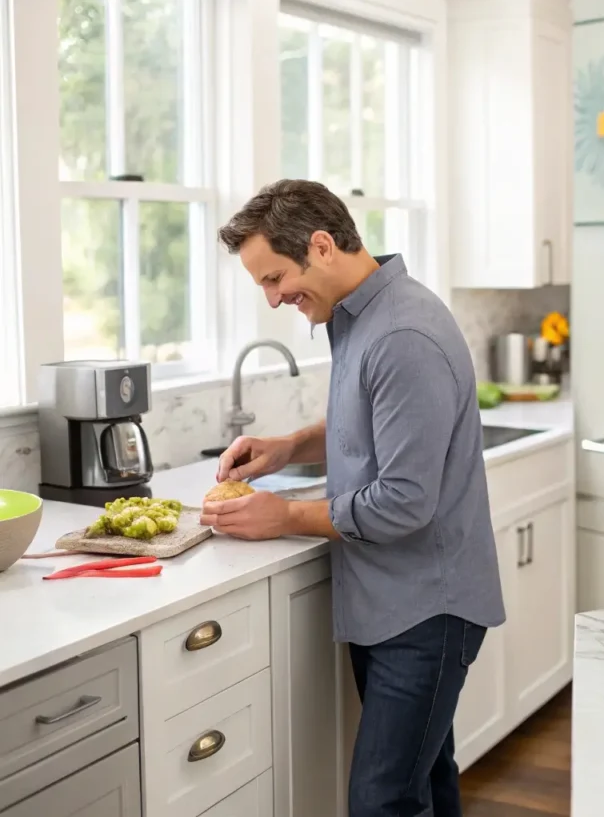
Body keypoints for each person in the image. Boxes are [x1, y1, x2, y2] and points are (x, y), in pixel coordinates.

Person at [202, 179, 505, 817]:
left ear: (321, 245)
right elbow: (371, 424)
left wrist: (284, 515)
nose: (274, 297)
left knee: (382, 800)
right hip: (397, 602)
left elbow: (402, 501)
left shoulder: (402, 335)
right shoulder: (364, 315)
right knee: (425, 781)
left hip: (426, 610)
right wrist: (290, 446)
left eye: (275, 278)